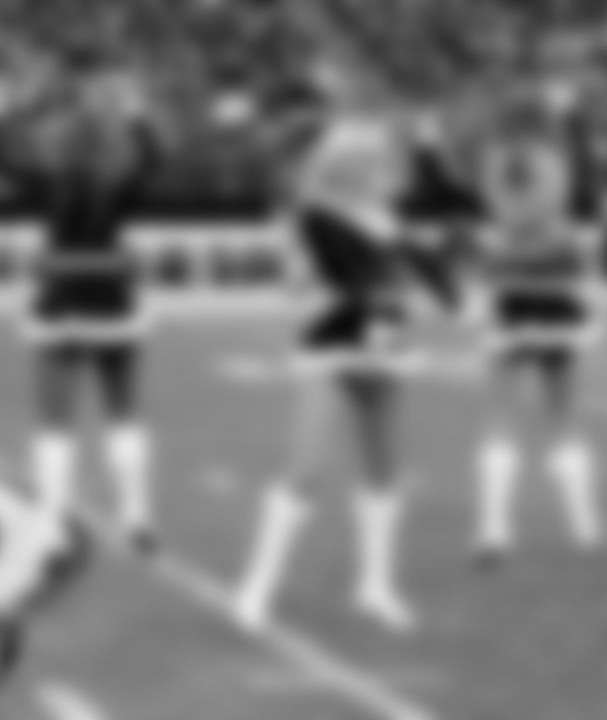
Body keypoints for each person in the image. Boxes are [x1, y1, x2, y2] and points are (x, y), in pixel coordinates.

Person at [235, 80, 457, 634]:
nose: (378, 168)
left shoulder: (383, 216)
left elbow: (424, 266)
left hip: (384, 341)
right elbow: (331, 277)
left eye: (379, 160)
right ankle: (257, 584)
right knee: (305, 469)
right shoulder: (315, 214)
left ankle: (376, 586)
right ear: (342, 165)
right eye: (366, 160)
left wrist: (451, 296)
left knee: (383, 470)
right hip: (335, 340)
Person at [0, 67, 159, 562]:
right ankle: (137, 516)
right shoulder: (120, 182)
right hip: (114, 301)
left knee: (54, 422)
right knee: (124, 414)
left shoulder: (50, 181)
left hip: (62, 301)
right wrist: (137, 113)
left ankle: (51, 524)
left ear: (62, 142)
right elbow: (153, 160)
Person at [468, 114, 607, 567]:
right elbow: (583, 243)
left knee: (502, 416)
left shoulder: (500, 171)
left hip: (512, 303)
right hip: (554, 303)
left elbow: (492, 240)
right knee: (563, 418)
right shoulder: (552, 170)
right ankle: (584, 525)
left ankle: (495, 528)